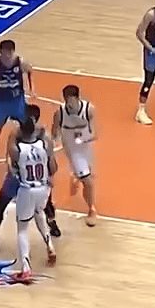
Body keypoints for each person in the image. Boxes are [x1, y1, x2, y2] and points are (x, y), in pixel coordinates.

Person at [9, 112, 57, 282]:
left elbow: (10, 147)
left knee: (22, 229)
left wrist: (14, 133)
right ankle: (50, 246)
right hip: (44, 188)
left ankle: (26, 269)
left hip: (27, 190)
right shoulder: (45, 145)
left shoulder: (17, 150)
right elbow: (53, 168)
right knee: (39, 213)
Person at [0, 40, 34, 180]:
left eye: (9, 52)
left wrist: (31, 90)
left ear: (13, 52)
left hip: (17, 102)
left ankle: (24, 159)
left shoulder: (20, 63)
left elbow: (30, 71)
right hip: (0, 104)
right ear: (0, 52)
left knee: (26, 129)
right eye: (4, 52)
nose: (6, 55)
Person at [53, 84, 98, 226]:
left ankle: (76, 174)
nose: (69, 104)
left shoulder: (89, 109)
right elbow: (54, 131)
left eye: (71, 101)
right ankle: (92, 209)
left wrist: (85, 139)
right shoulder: (60, 112)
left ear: (78, 98)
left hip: (85, 143)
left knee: (87, 170)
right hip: (71, 146)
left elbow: (95, 133)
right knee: (87, 180)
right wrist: (54, 142)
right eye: (67, 101)